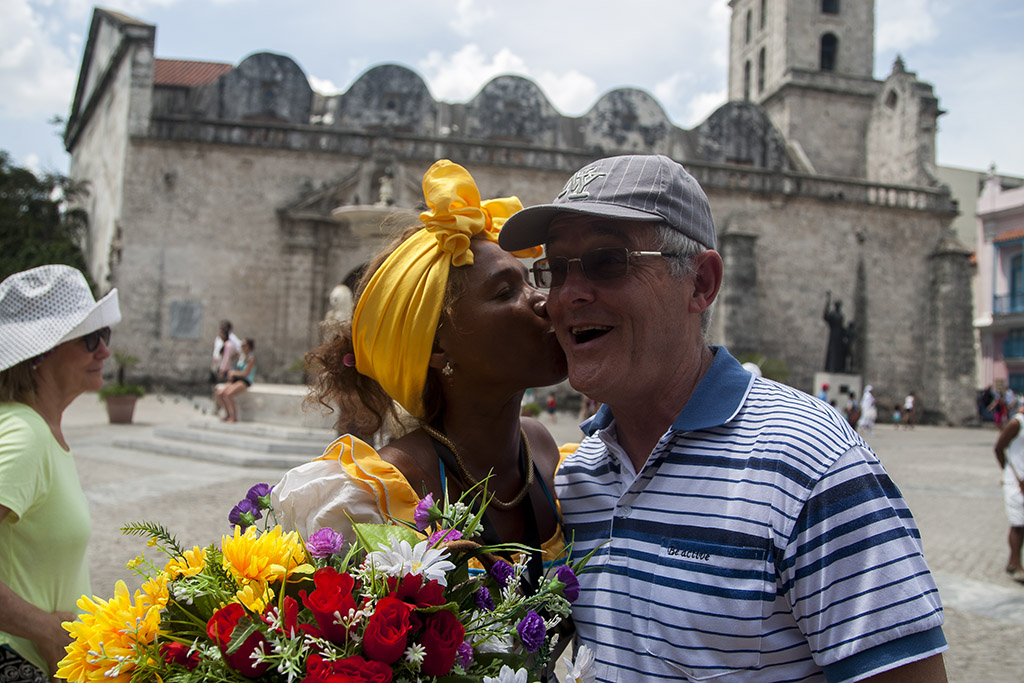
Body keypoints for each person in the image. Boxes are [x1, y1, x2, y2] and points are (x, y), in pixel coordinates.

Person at [498, 154, 947, 682]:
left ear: (700, 284)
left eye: (607, 260)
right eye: (556, 269)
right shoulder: (578, 481)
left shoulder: (809, 464)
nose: (567, 295)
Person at [272, 159, 569, 581]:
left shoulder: (541, 448)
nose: (543, 300)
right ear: (435, 346)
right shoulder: (379, 497)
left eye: (529, 281)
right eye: (506, 292)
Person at [0, 265, 121, 682]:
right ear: (39, 354)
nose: (103, 351)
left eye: (105, 335)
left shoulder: (40, 431)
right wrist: (47, 630)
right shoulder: (24, 434)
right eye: (90, 339)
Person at [994, 407, 1024, 582]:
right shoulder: (1016, 423)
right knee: (1018, 523)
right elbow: (999, 448)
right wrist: (1009, 472)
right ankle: (1015, 563)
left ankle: (1013, 562)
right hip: (1016, 481)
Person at [215, 338, 256, 422]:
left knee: (228, 394)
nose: (242, 347)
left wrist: (234, 373)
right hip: (237, 379)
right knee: (219, 393)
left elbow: (246, 373)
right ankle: (227, 413)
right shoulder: (241, 356)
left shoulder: (251, 359)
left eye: (244, 345)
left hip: (245, 380)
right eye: (241, 345)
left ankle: (234, 416)